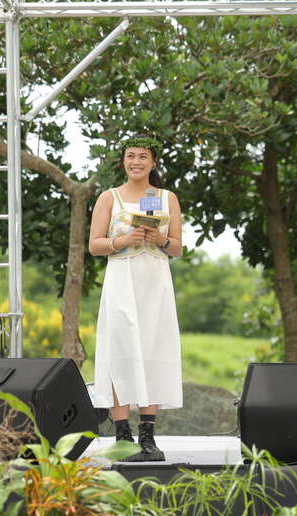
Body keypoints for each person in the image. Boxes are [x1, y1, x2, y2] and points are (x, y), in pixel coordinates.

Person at [87, 135, 184, 462]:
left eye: (143, 156)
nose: (136, 162)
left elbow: (178, 248)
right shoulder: (109, 197)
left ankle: (148, 437)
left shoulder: (166, 198)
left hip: (155, 280)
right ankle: (122, 436)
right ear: (123, 161)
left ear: (153, 161)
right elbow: (95, 244)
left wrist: (160, 238)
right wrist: (123, 240)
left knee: (153, 351)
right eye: (131, 156)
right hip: (122, 278)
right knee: (121, 352)